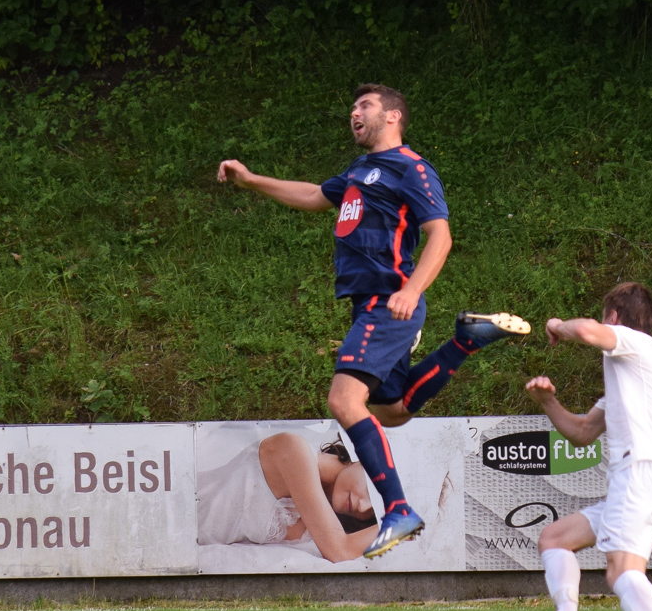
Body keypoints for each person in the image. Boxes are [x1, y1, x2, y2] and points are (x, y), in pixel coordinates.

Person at [216, 83, 529, 558]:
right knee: (392, 410)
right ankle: (466, 340)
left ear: (393, 116)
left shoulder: (412, 168)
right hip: (369, 304)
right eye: (352, 107)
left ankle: (398, 510)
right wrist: (251, 180)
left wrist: (412, 290)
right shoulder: (360, 170)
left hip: (389, 301)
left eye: (365, 105)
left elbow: (440, 236)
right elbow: (314, 195)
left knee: (344, 400)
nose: (354, 113)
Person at [521, 283, 652, 611]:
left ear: (613, 318)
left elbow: (584, 331)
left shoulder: (638, 344)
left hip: (642, 473)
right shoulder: (636, 375)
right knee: (555, 539)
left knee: (621, 571)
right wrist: (547, 401)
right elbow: (582, 433)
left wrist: (557, 325)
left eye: (604, 318)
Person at [197, 434, 378, 562]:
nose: (363, 507)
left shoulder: (329, 519)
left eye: (374, 511)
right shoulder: (294, 450)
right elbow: (340, 552)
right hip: (182, 514)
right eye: (372, 492)